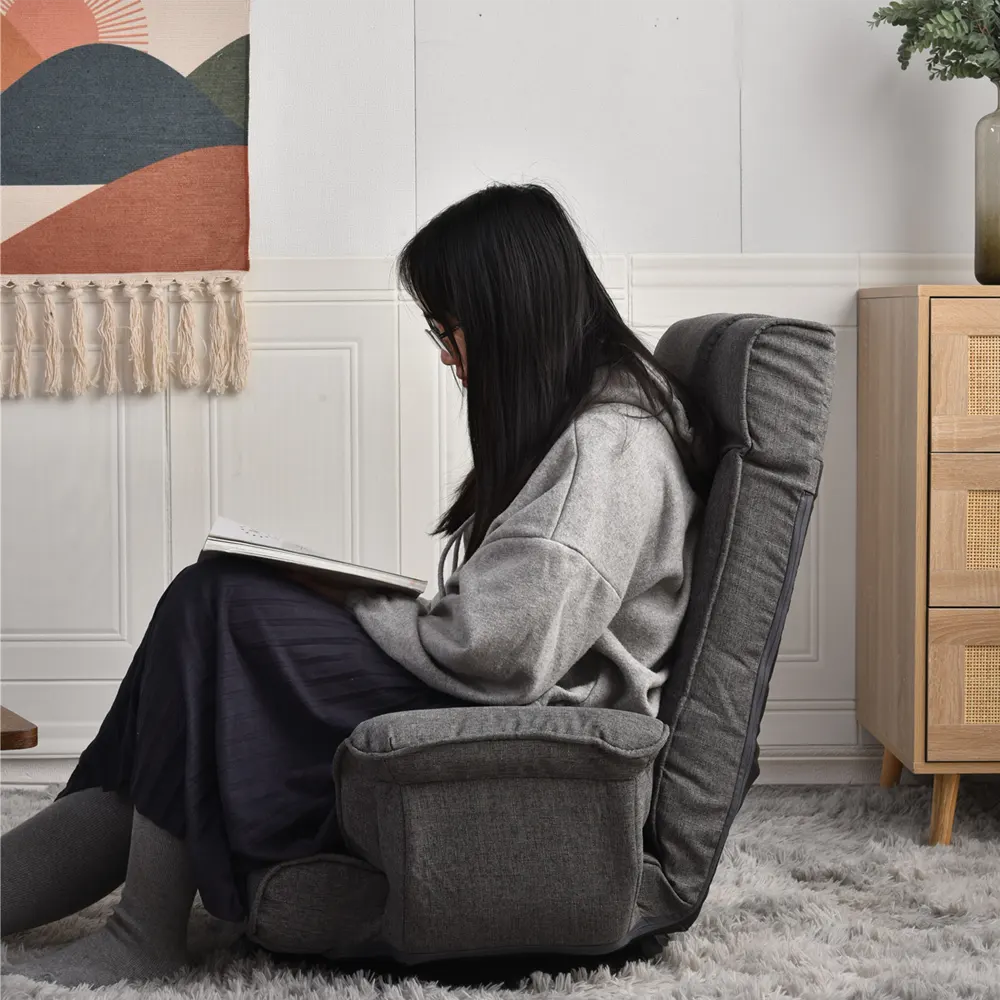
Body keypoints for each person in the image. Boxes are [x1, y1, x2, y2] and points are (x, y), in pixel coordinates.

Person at [0, 183, 704, 986]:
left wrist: (357, 599)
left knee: (210, 604)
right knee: (190, 654)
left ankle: (142, 934)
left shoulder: (610, 450)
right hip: (490, 692)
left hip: (520, 725)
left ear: (509, 314)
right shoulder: (595, 423)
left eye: (449, 327)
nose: (446, 353)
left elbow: (500, 652)